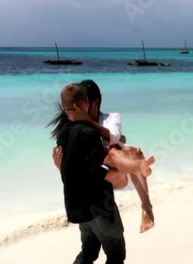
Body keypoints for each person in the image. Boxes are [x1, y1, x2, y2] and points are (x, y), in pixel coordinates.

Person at [50, 83, 124, 264]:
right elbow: (95, 172)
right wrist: (118, 172)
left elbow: (71, 173)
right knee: (116, 255)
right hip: (100, 206)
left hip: (79, 208)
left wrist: (62, 168)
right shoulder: (90, 134)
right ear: (85, 104)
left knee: (88, 252)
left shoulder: (63, 133)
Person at [50, 79, 156, 233]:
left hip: (117, 175)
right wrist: (60, 166)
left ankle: (146, 206)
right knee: (114, 151)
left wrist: (88, 121)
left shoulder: (111, 118)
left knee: (131, 152)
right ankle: (137, 166)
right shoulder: (74, 128)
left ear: (93, 103)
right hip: (94, 178)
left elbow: (113, 137)